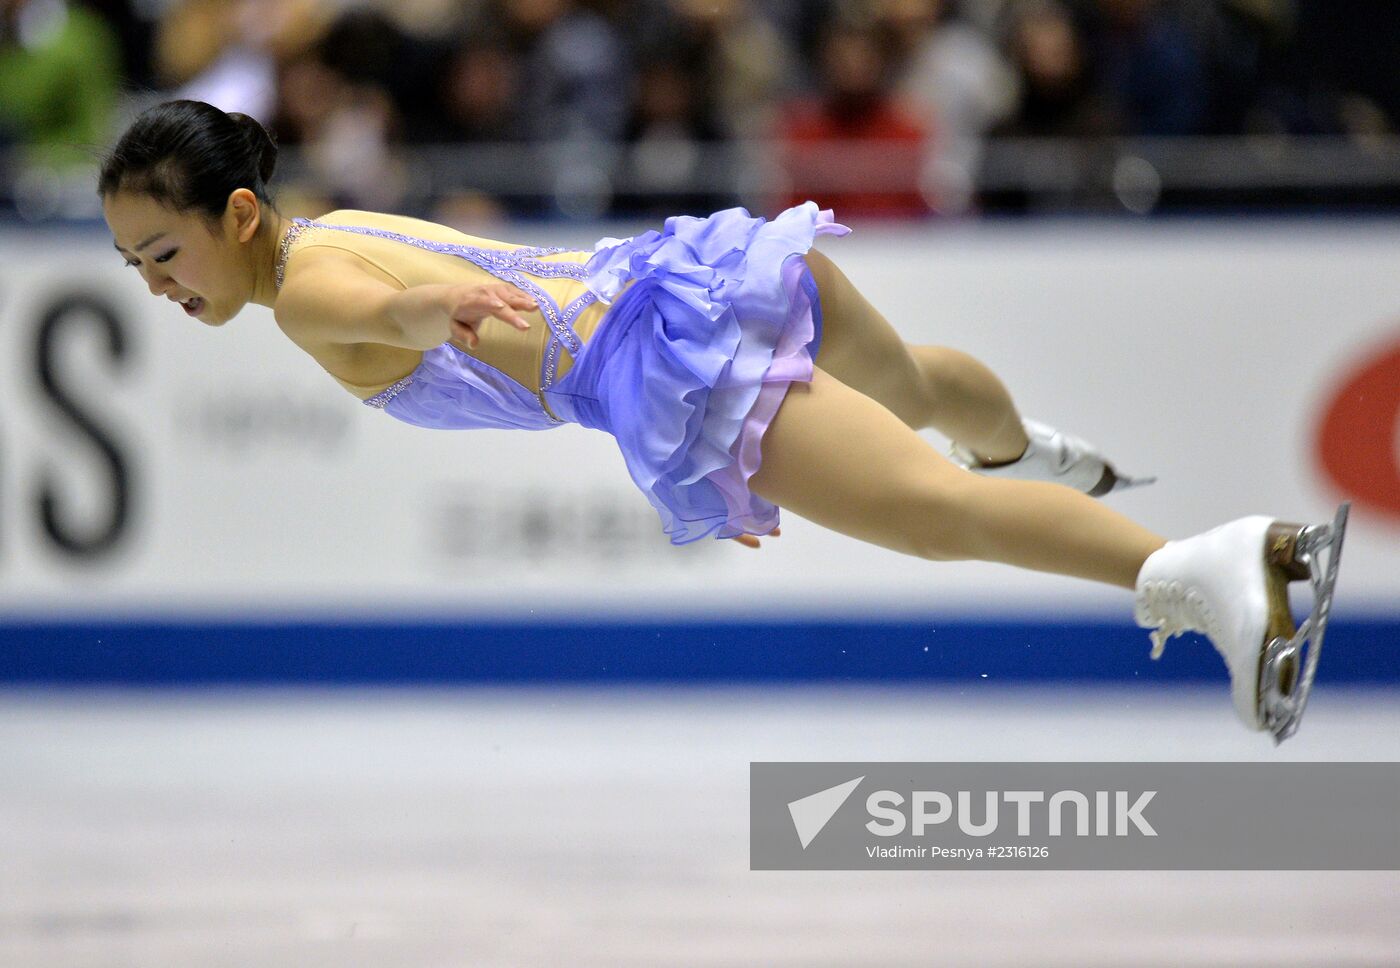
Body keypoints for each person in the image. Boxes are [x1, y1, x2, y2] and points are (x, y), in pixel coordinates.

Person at [98, 100, 1348, 743]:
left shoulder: (304, 293)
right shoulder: (328, 235)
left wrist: (457, 314)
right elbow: (428, 299)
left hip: (666, 358)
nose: (159, 285)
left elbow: (429, 316)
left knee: (933, 516)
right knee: (909, 384)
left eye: (163, 252)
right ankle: (1040, 451)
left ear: (242, 214)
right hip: (693, 274)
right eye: (134, 266)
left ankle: (1216, 569)